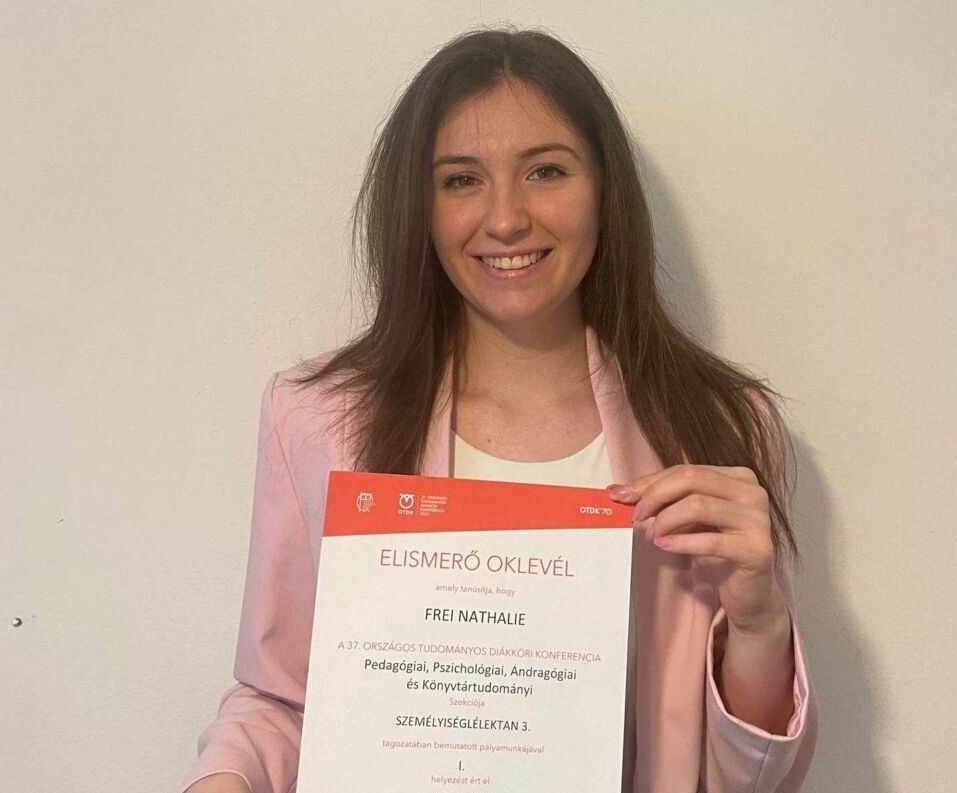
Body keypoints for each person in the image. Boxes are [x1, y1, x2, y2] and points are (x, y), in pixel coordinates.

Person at [180, 25, 818, 793]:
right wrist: (226, 776)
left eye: (545, 170)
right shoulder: (315, 420)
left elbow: (752, 782)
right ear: (419, 207)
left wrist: (760, 622)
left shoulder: (717, 427)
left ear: (604, 188)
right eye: (461, 180)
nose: (507, 218)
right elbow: (281, 702)